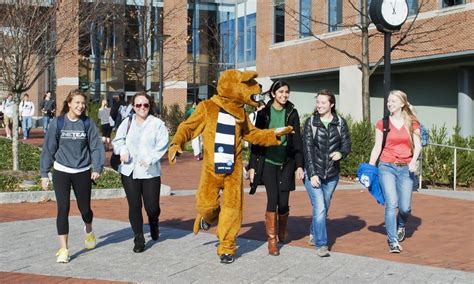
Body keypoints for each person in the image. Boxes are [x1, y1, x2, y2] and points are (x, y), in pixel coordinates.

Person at [40, 89, 105, 263]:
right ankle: (63, 249)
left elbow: (96, 147)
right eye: (77, 102)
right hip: (61, 170)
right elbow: (49, 149)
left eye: (83, 103)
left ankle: (89, 231)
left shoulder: (88, 123)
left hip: (82, 171)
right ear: (69, 103)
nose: (80, 106)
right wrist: (44, 173)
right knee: (63, 209)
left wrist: (97, 168)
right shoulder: (58, 123)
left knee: (85, 210)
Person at [248, 80, 304, 256]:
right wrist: (251, 166)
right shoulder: (264, 113)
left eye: (286, 92)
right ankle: (272, 240)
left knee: (284, 202)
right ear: (273, 94)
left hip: (286, 162)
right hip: (268, 162)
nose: (284, 95)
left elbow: (297, 141)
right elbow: (256, 141)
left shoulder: (292, 112)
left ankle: (283, 228)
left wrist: (300, 165)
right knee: (273, 199)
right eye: (280, 92)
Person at [112, 92, 169, 253]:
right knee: (134, 205)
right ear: (133, 107)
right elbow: (118, 140)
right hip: (129, 170)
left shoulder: (157, 124)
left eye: (145, 105)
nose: (142, 108)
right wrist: (122, 150)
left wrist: (151, 158)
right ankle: (139, 237)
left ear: (149, 106)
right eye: (138, 105)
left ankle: (153, 221)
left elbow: (163, 143)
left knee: (152, 207)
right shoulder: (127, 122)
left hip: (150, 172)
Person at [368, 90, 421, 253]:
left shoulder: (412, 122)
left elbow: (418, 145)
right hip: (386, 166)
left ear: (402, 103)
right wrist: (370, 168)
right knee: (392, 204)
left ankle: (401, 224)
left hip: (406, 168)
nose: (390, 104)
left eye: (393, 101)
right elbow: (377, 147)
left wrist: (413, 162)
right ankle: (393, 241)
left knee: (405, 208)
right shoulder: (382, 123)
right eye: (388, 101)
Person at [302, 89, 351, 257]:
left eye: (323, 102)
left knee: (323, 206)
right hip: (313, 173)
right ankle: (321, 244)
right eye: (318, 102)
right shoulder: (310, 122)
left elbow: (346, 144)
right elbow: (307, 150)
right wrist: (312, 174)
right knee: (321, 207)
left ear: (331, 104)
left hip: (332, 174)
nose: (319, 105)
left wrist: (341, 153)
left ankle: (314, 232)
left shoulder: (340, 123)